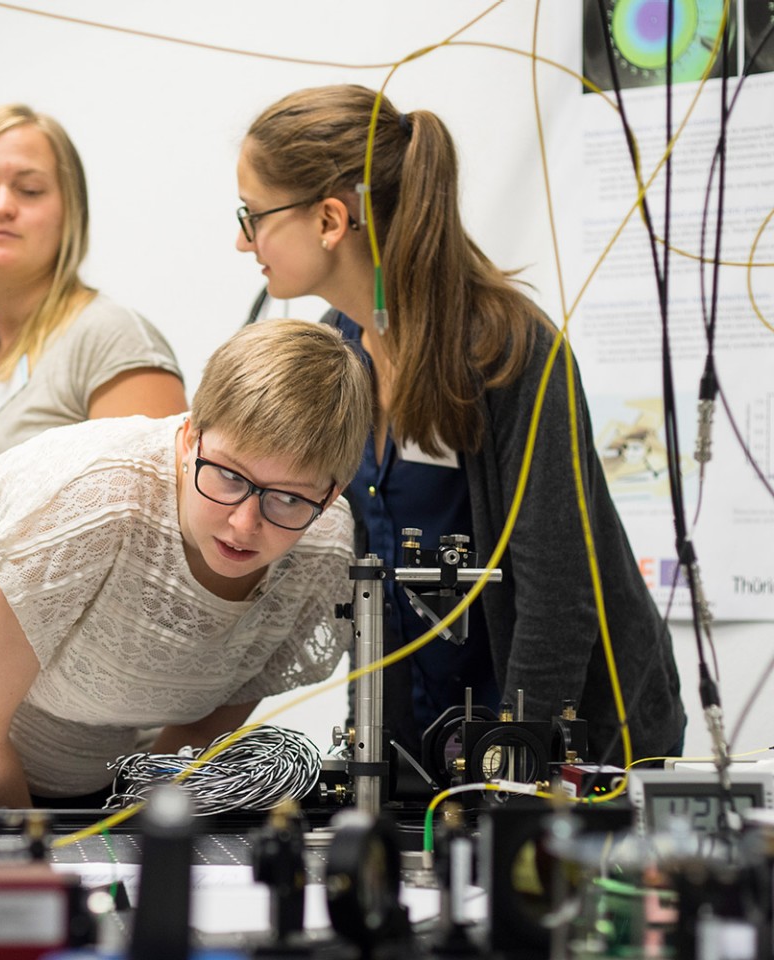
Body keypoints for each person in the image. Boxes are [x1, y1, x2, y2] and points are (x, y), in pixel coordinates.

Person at [235, 84, 684, 763]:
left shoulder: (509, 351)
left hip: (570, 751)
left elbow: (557, 589)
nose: (243, 242)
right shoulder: (336, 352)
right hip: (425, 753)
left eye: (252, 215)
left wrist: (517, 762)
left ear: (330, 220)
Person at [0, 320, 372, 808]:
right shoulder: (94, 498)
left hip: (77, 769)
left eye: (289, 499)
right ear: (188, 438)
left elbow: (201, 730)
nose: (244, 524)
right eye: (228, 476)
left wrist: (135, 835)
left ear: (332, 493)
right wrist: (49, 869)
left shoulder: (321, 551)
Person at [0, 104, 187, 515]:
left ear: (71, 213)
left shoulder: (110, 335)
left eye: (29, 190)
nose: (1, 206)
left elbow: (158, 520)